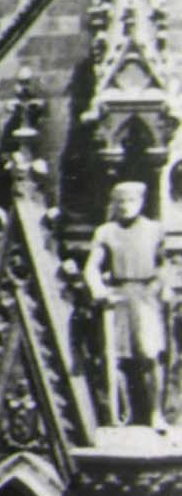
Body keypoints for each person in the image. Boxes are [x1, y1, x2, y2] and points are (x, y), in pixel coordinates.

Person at [84, 180, 169, 427]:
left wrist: (162, 287)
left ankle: (156, 413)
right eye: (120, 201)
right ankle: (122, 413)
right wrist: (99, 289)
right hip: (118, 296)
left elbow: (164, 264)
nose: (125, 206)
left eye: (130, 200)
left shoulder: (154, 229)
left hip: (145, 297)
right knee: (116, 357)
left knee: (149, 355)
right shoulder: (106, 232)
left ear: (141, 202)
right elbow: (92, 267)